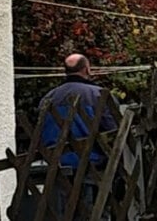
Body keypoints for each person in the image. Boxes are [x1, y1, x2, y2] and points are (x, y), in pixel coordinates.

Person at [39, 53, 118, 219]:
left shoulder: (48, 98)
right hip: (90, 166)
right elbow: (113, 130)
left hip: (58, 167)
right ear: (86, 69)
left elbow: (41, 133)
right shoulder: (98, 95)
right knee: (92, 213)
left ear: (65, 71)